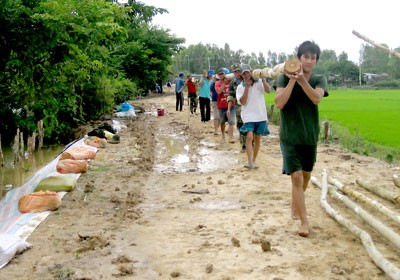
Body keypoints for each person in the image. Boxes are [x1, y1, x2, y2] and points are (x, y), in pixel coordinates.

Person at [273, 40, 329, 237]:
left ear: (316, 61)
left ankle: (296, 202)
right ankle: (305, 223)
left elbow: (316, 98)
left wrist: (302, 80)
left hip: (309, 136)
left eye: (313, 58)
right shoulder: (282, 78)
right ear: (298, 58)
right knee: (295, 176)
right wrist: (291, 80)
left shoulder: (319, 79)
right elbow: (279, 103)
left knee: (305, 175)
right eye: (305, 57)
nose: (309, 61)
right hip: (289, 137)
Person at [236, 64, 271, 170]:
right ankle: (249, 161)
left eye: (248, 72)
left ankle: (254, 160)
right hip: (248, 116)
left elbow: (268, 91)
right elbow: (243, 102)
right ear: (242, 76)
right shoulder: (240, 87)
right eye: (244, 73)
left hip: (260, 115)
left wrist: (264, 80)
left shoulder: (259, 82)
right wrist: (247, 87)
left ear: (251, 72)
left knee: (257, 138)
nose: (246, 75)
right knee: (249, 137)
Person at [228, 63, 245, 152]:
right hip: (239, 107)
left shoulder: (247, 79)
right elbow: (230, 96)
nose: (237, 73)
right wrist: (228, 109)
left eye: (238, 71)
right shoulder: (232, 83)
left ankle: (251, 142)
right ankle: (243, 144)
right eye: (235, 72)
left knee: (250, 125)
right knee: (241, 125)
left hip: (249, 106)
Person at [215, 68, 235, 142]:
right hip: (221, 106)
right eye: (220, 74)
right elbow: (219, 92)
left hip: (231, 105)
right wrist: (224, 83)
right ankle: (223, 134)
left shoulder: (231, 81)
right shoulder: (217, 83)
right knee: (222, 122)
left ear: (225, 74)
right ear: (218, 76)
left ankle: (230, 138)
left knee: (231, 122)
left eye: (222, 74)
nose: (221, 75)